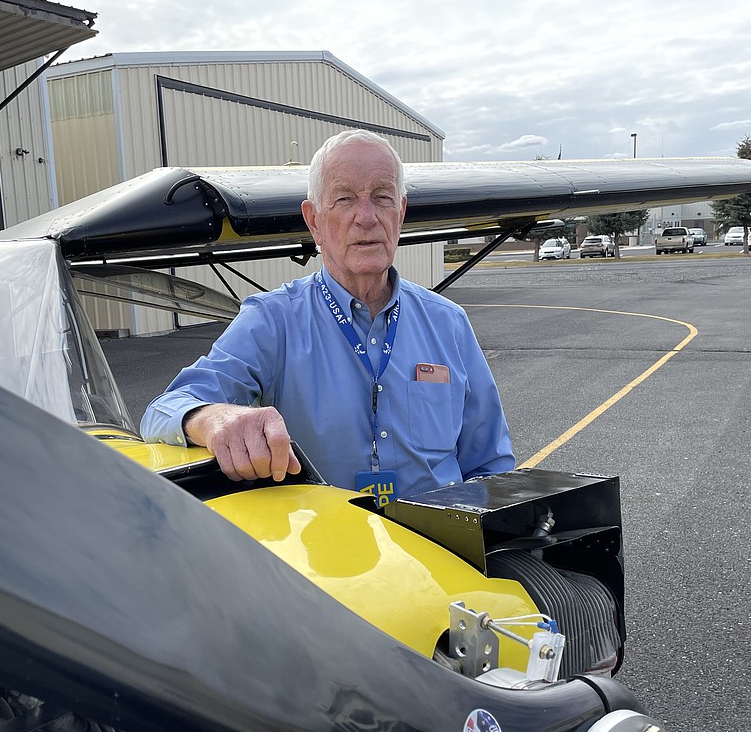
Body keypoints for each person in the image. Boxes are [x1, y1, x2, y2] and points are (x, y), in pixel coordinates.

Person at [140, 129, 514, 503]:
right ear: (314, 220)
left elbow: (492, 466)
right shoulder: (273, 321)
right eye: (344, 199)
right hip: (324, 553)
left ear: (400, 213)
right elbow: (164, 410)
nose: (366, 218)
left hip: (436, 551)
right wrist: (213, 419)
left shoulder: (449, 323)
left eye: (382, 197)